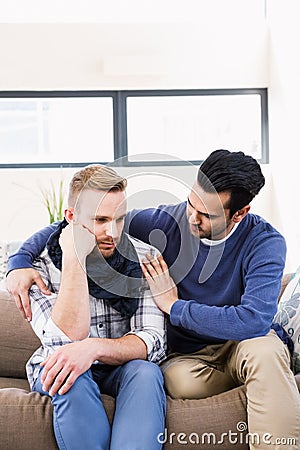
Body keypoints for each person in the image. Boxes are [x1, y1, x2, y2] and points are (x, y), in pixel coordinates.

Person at [7, 150, 300, 449]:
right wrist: (19, 259)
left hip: (242, 342)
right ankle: (253, 383)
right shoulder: (164, 223)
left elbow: (254, 321)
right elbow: (72, 223)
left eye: (206, 214)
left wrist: (174, 305)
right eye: (191, 203)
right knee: (162, 379)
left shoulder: (265, 242)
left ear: (239, 213)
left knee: (265, 352)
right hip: (189, 358)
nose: (192, 217)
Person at [7, 164, 167, 450]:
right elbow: (65, 340)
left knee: (146, 372)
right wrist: (74, 256)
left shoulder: (145, 257)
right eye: (100, 220)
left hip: (122, 367)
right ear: (71, 217)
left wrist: (94, 348)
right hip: (60, 365)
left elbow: (151, 340)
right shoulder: (37, 268)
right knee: (68, 373)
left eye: (119, 219)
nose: (112, 232)